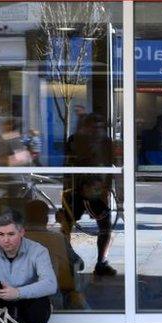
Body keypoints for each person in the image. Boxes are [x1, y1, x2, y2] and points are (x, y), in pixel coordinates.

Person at [62, 112, 117, 277]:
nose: (97, 129)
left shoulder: (104, 142)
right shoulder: (79, 140)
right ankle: (71, 258)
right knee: (68, 225)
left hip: (93, 190)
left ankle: (100, 262)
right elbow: (71, 162)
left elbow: (109, 165)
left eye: (100, 126)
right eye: (94, 126)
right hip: (81, 189)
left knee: (104, 226)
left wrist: (108, 189)